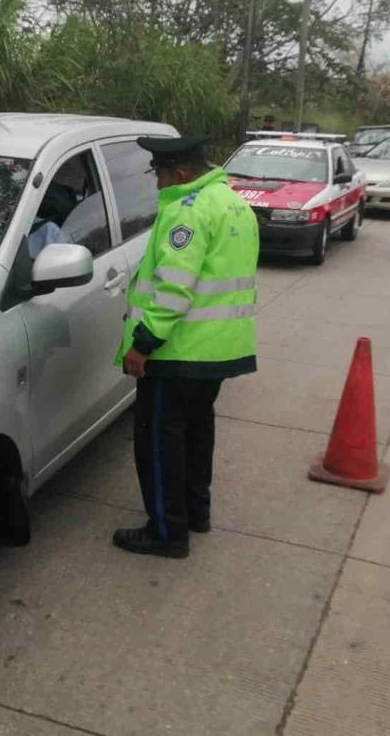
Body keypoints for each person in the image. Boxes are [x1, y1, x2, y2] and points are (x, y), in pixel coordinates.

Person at [112, 136, 260, 559]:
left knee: (159, 443)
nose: (156, 183)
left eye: (158, 174)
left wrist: (143, 344)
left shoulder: (186, 212)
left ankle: (166, 532)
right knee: (197, 433)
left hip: (177, 351)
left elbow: (174, 290)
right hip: (217, 349)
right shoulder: (232, 203)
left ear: (180, 173)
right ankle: (195, 513)